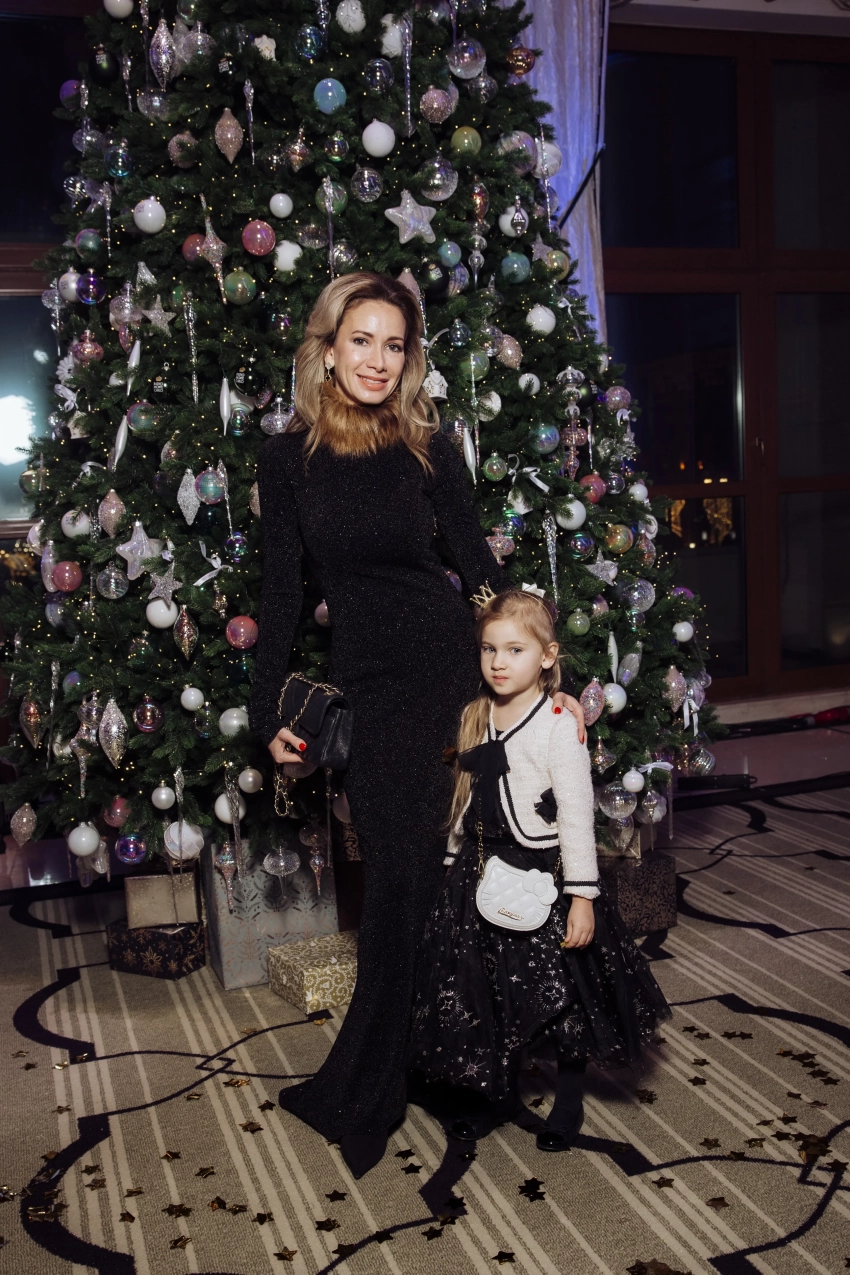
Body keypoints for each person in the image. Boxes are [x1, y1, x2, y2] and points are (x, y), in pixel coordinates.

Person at [249, 273, 585, 1178]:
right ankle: (381, 1076)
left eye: (394, 345)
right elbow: (281, 597)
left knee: (453, 873)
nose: (377, 360)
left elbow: (478, 570)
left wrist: (541, 678)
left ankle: (434, 1064)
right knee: (398, 873)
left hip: (450, 676)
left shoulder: (431, 449)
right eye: (361, 340)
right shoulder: (286, 460)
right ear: (327, 350)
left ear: (410, 358)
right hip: (372, 686)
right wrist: (266, 712)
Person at [409, 588, 671, 1150]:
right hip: (480, 868)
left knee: (564, 988)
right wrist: (453, 857)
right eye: (489, 649)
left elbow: (576, 814)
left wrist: (582, 897)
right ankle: (496, 1094)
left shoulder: (557, 724)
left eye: (515, 650)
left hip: (544, 872)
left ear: (548, 656)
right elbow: (465, 796)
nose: (499, 662)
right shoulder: (476, 714)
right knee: (484, 987)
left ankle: (569, 1097)